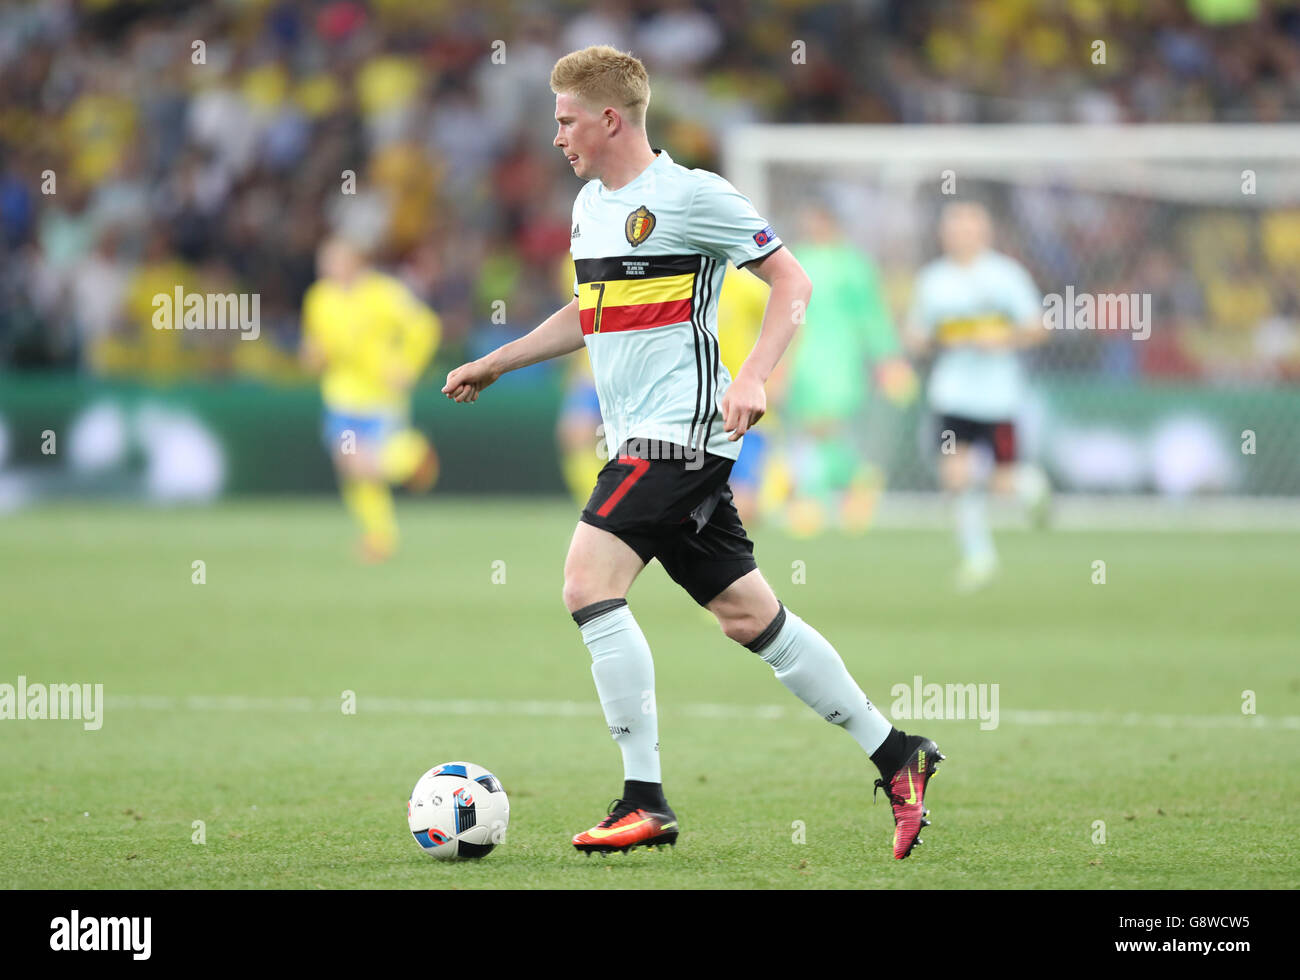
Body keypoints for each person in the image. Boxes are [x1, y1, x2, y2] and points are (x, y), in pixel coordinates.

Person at [443, 46, 941, 860]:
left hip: (680, 435)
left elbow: (793, 283)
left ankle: (645, 798)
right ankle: (898, 754)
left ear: (609, 118)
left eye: (566, 120)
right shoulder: (588, 207)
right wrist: (499, 361)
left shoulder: (692, 196)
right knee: (749, 616)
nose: (557, 135)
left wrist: (752, 377)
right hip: (642, 437)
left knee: (586, 582)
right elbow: (590, 311)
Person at [905, 202, 1051, 591]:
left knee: (1002, 486)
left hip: (998, 398)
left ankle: (1029, 486)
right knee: (956, 477)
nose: (958, 236)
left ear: (983, 233)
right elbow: (917, 334)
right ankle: (978, 557)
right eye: (952, 229)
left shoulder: (1005, 276)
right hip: (952, 396)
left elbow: (1038, 327)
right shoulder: (934, 280)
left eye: (967, 229)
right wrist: (930, 339)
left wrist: (1003, 338)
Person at [300, 236, 441, 562]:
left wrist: (408, 365)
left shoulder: (383, 293)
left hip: (381, 396)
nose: (327, 269)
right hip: (340, 396)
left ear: (355, 262)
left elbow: (425, 326)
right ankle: (379, 535)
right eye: (325, 262)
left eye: (334, 261)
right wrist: (313, 356)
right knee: (352, 465)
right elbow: (314, 347)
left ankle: (413, 457)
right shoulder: (319, 298)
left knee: (363, 464)